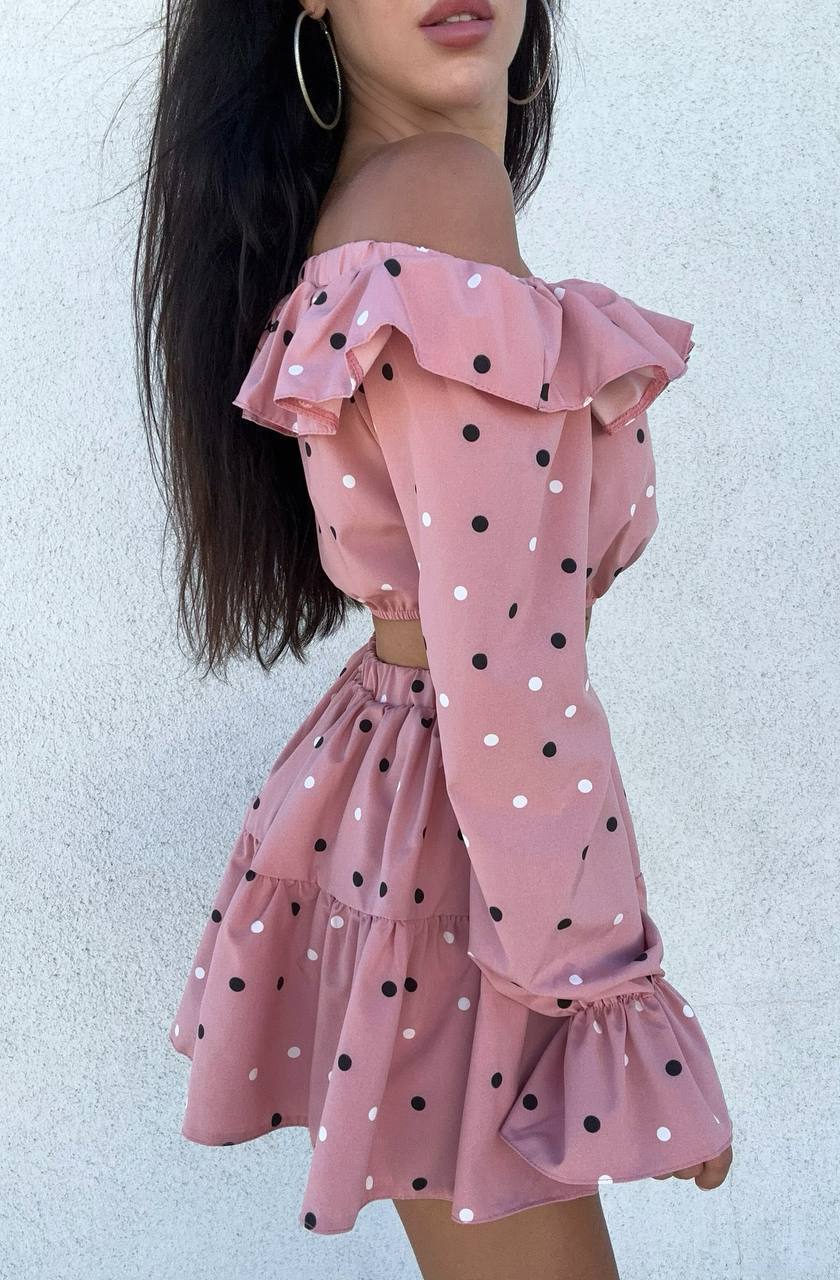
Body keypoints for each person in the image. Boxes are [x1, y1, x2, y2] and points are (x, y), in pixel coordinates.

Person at [137, 1, 733, 1275]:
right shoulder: (438, 194)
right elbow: (509, 660)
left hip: (400, 797)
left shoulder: (369, 200)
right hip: (475, 844)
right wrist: (603, 993)